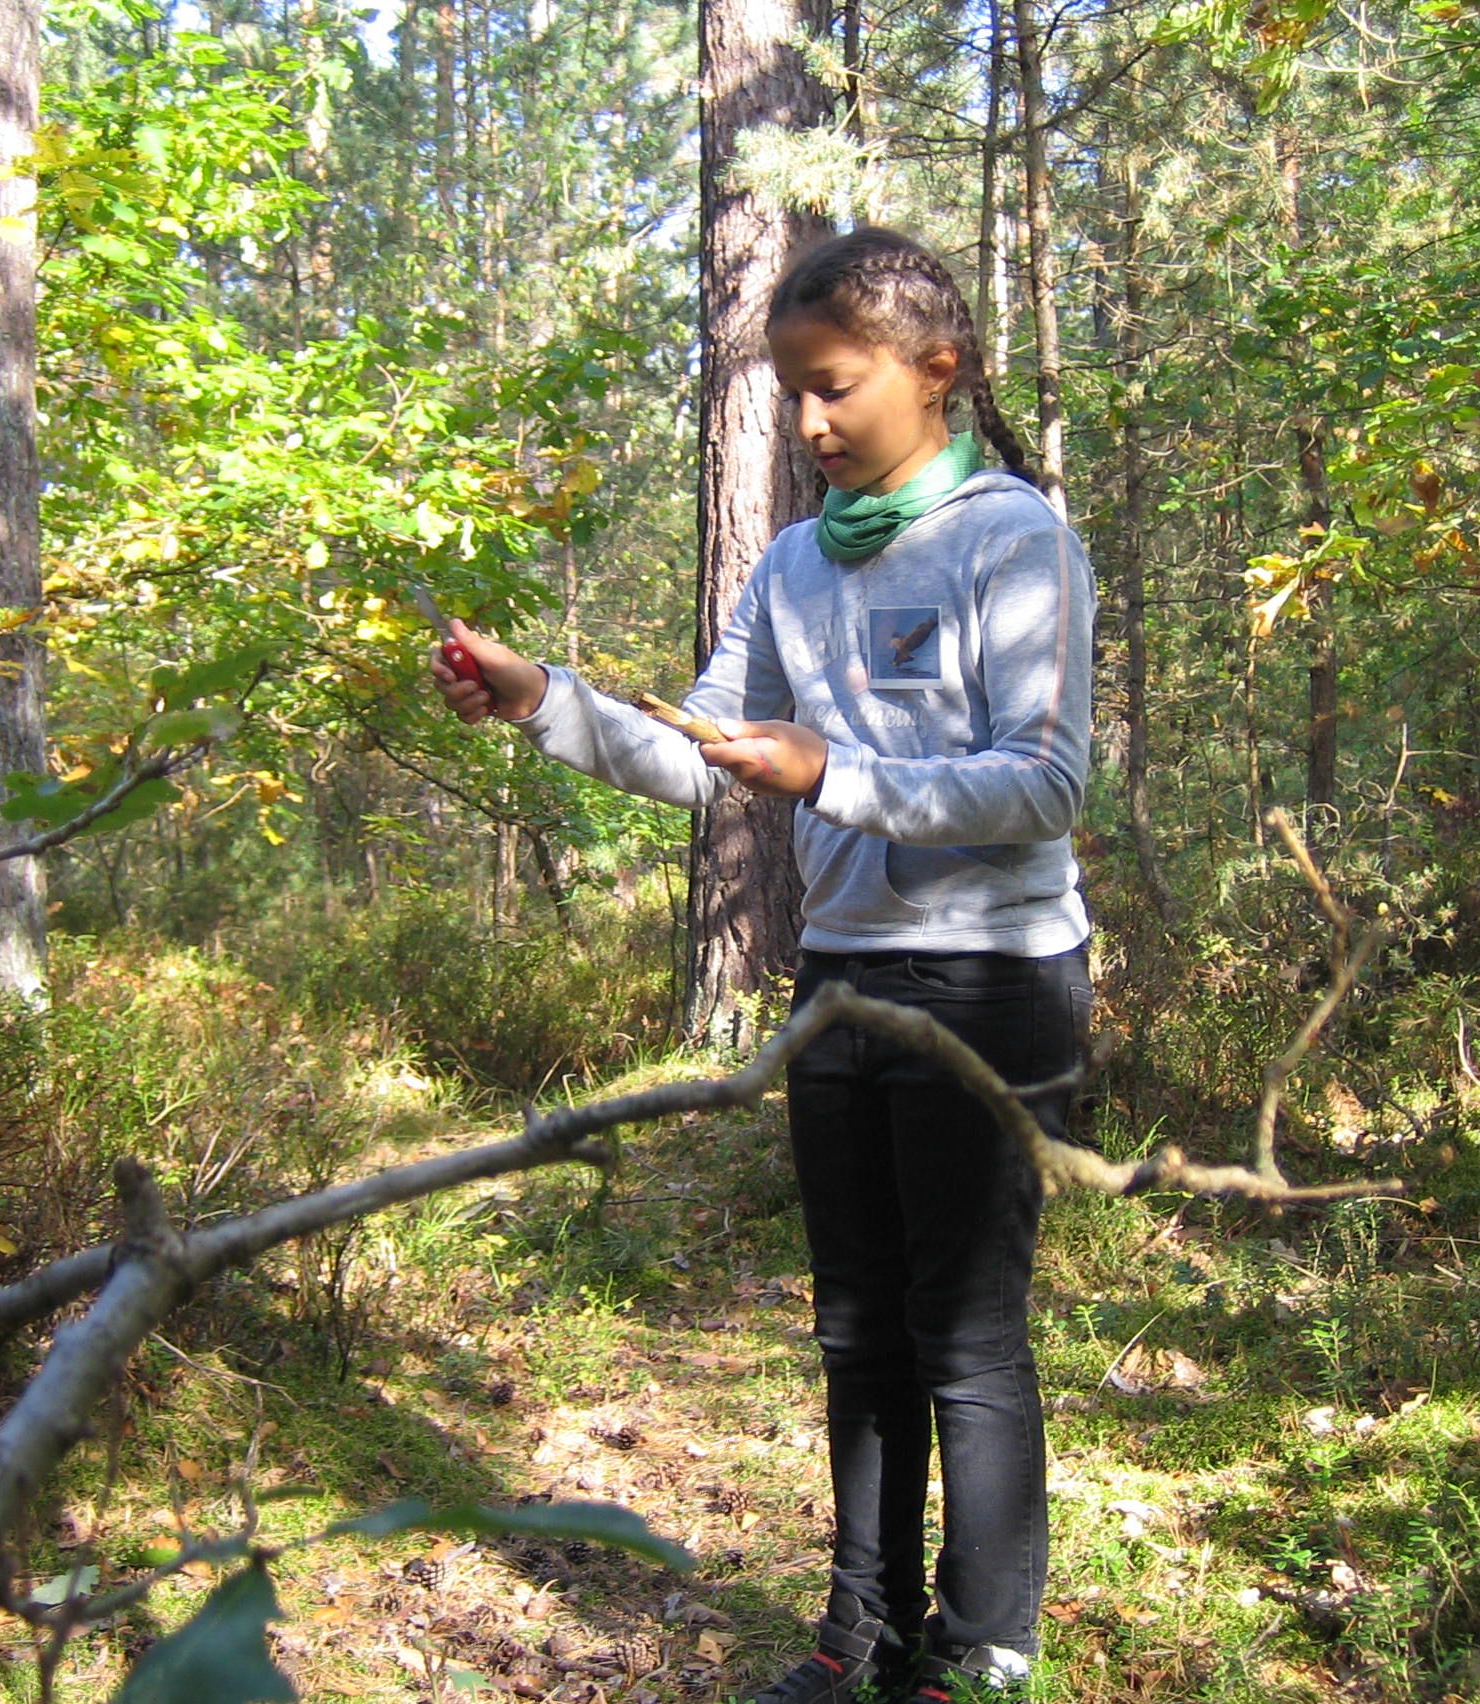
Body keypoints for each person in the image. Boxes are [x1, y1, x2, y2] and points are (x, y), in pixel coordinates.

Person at [431, 225, 1095, 1703]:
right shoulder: (799, 561)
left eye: (833, 388)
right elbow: (704, 756)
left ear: (940, 373)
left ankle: (976, 1653)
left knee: (966, 1330)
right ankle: (855, 1631)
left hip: (988, 982)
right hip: (843, 974)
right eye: (790, 392)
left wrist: (834, 773)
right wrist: (546, 700)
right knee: (856, 1317)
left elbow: (1045, 787)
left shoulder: (1015, 540)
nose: (804, 426)